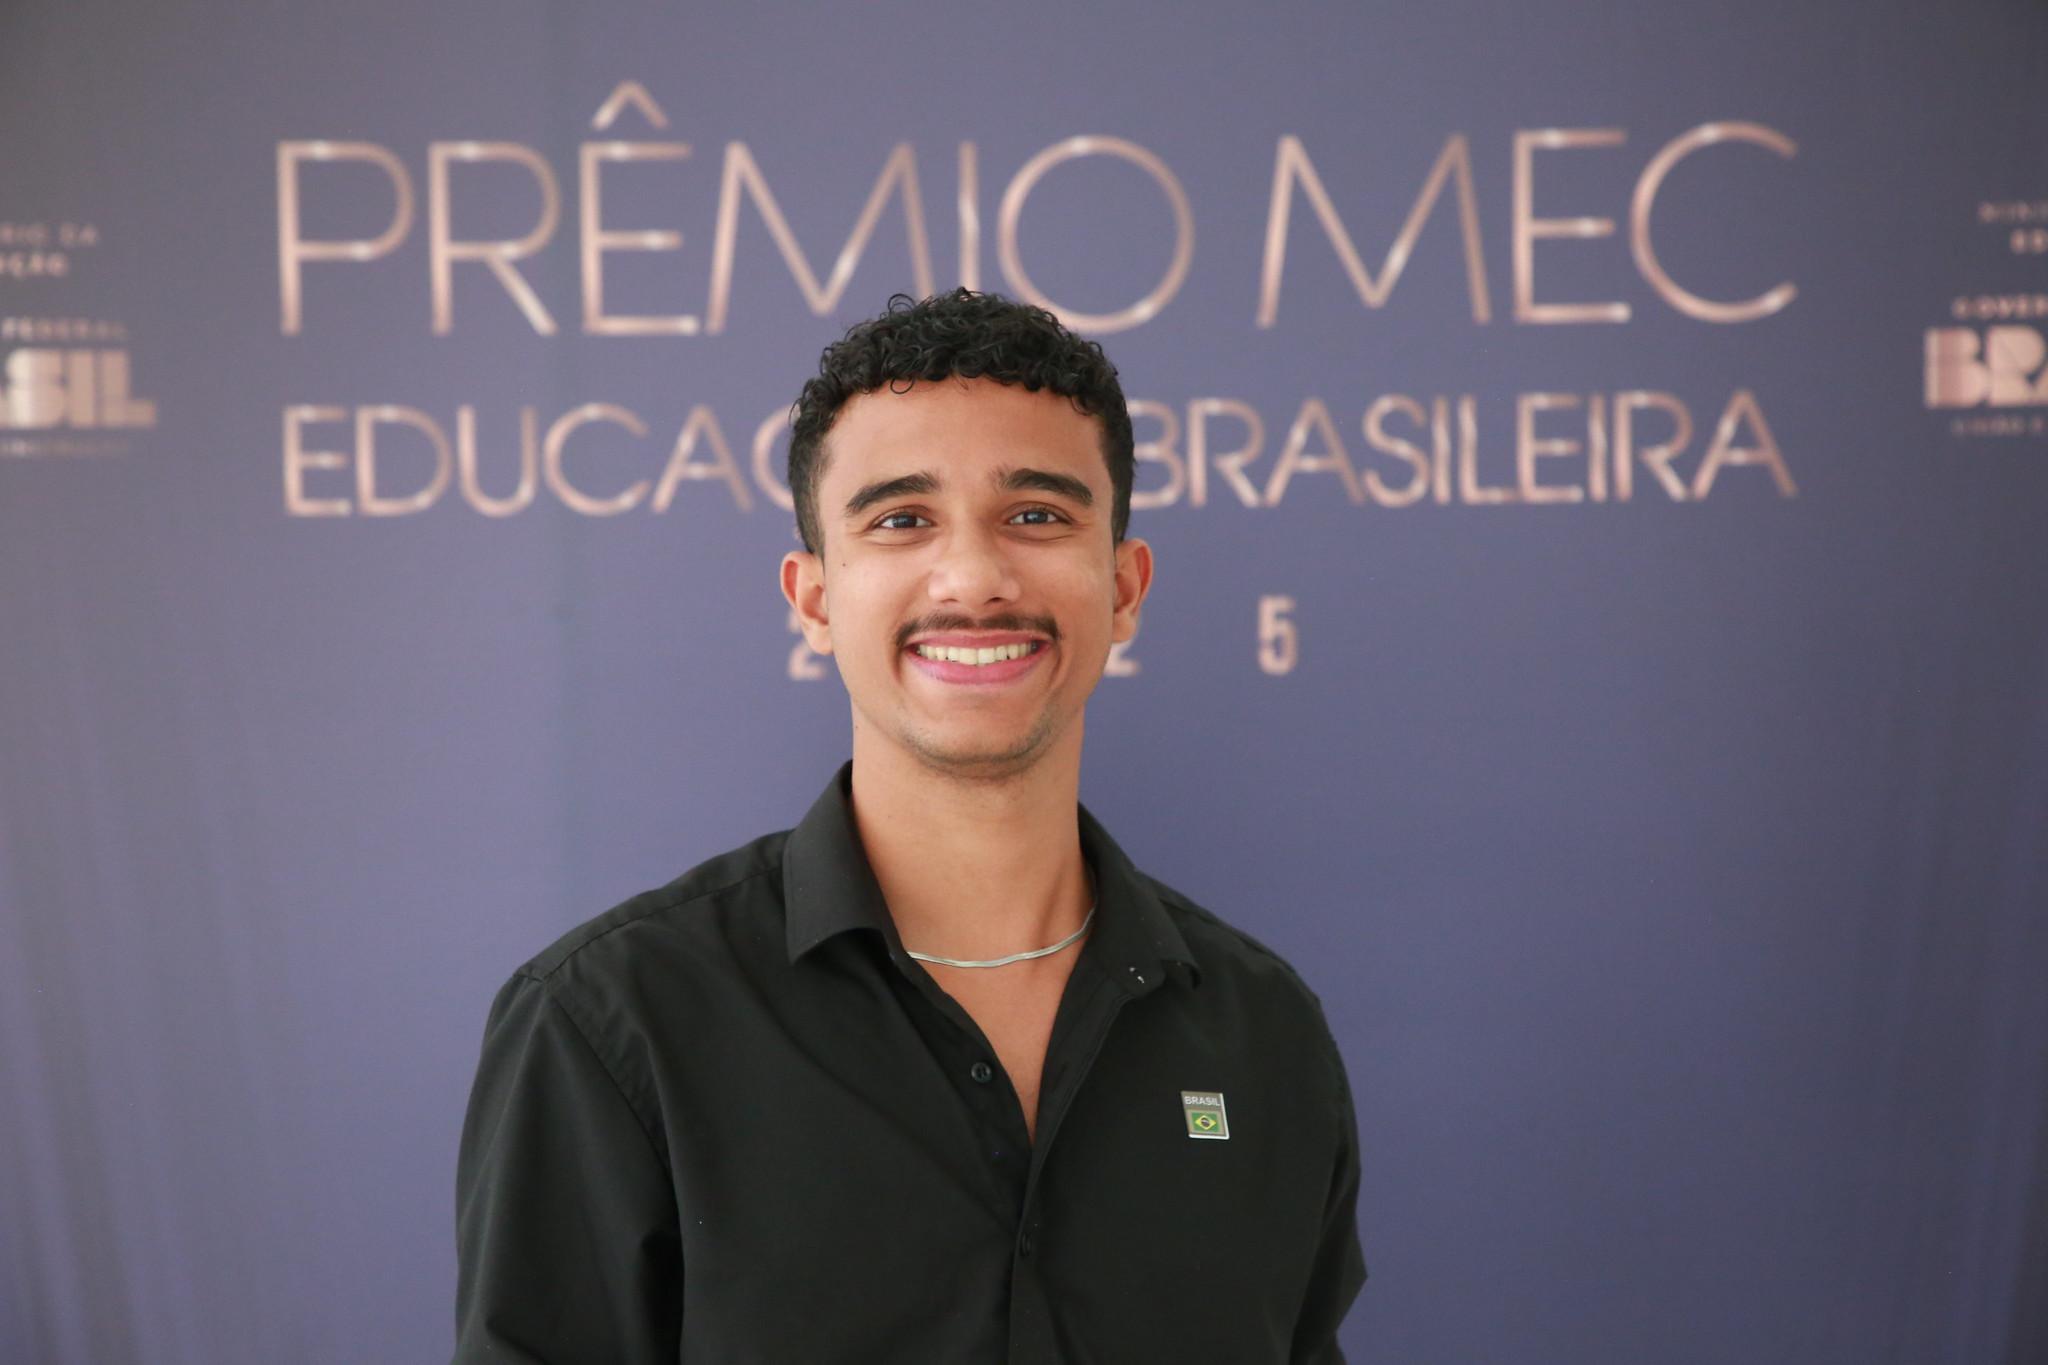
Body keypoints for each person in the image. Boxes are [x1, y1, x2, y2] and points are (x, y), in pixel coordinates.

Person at [453, 288, 1367, 1363]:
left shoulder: (1264, 1034)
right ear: (814, 600)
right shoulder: (613, 1027)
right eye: (900, 520)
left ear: (1123, 587)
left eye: (1037, 515)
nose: (973, 577)